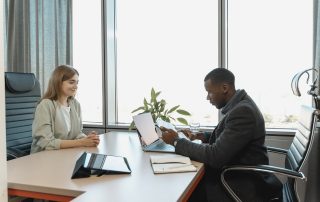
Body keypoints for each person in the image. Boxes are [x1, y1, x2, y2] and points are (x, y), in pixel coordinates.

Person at [161, 68, 282, 202]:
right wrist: (201, 136)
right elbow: (229, 137)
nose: (208, 97)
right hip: (235, 174)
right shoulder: (240, 105)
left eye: (210, 92)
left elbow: (215, 156)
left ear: (224, 88)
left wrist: (177, 142)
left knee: (183, 191)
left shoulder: (243, 111)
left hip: (240, 183)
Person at [31, 65, 100, 153]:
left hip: (64, 155)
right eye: (71, 82)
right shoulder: (45, 105)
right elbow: (46, 142)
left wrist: (88, 139)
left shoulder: (75, 104)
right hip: (43, 158)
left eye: (77, 82)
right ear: (58, 83)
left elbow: (77, 134)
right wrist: (81, 142)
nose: (76, 86)